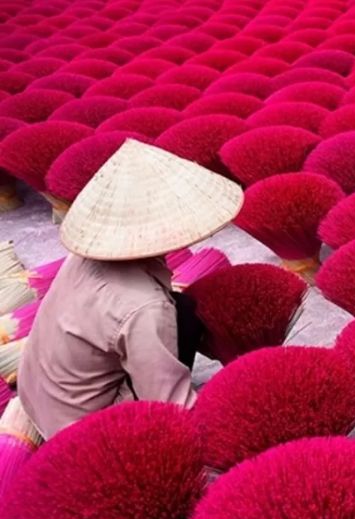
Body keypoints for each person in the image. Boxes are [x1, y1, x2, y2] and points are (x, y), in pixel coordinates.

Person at [17, 139, 243, 439]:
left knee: (184, 312)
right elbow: (170, 403)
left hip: (40, 393)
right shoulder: (144, 307)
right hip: (82, 429)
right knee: (178, 319)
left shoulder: (91, 250)